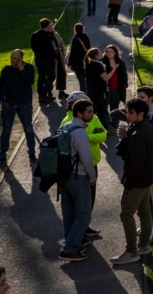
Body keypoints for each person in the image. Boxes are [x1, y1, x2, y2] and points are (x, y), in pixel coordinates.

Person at [112, 98, 153, 264]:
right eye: (127, 112)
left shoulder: (138, 135)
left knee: (126, 214)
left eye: (131, 113)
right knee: (144, 212)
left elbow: (135, 166)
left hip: (137, 183)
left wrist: (128, 184)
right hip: (148, 179)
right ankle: (144, 246)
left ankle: (131, 250)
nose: (128, 115)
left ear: (141, 114)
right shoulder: (148, 128)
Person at [59, 99, 97, 261]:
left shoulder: (64, 127)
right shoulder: (80, 132)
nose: (92, 114)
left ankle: (71, 243)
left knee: (69, 214)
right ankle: (69, 249)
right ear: (80, 114)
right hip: (79, 177)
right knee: (83, 215)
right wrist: (92, 177)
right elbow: (86, 159)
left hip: (63, 177)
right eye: (89, 111)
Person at [0, 49, 37, 168]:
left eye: (16, 58)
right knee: (6, 131)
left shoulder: (29, 68)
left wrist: (21, 69)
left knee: (28, 129)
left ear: (21, 59)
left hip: (24, 104)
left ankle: (32, 153)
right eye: (12, 57)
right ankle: (2, 156)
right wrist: (0, 99)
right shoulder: (6, 70)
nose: (13, 60)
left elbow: (29, 82)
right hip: (8, 105)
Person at [30, 18, 64, 105]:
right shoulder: (47, 36)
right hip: (48, 60)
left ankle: (41, 95)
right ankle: (43, 94)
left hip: (38, 59)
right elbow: (50, 49)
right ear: (47, 25)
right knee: (51, 77)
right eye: (50, 24)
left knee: (41, 77)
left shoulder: (34, 35)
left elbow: (33, 48)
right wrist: (55, 55)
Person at [83, 48, 113, 130]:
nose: (101, 54)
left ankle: (102, 127)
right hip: (98, 91)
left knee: (98, 109)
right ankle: (102, 127)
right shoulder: (98, 65)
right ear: (96, 56)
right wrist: (113, 70)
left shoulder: (89, 64)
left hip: (91, 91)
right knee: (99, 110)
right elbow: (106, 78)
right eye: (100, 53)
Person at [104, 44, 129, 116]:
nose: (109, 53)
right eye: (107, 52)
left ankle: (115, 123)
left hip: (117, 88)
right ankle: (106, 123)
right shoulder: (104, 62)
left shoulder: (120, 62)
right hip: (107, 88)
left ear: (115, 53)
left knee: (114, 107)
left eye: (111, 52)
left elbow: (124, 74)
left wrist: (125, 83)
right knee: (104, 106)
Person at [67, 23, 91, 90]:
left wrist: (70, 63)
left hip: (77, 62)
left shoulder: (76, 39)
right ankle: (87, 91)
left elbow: (73, 52)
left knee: (81, 79)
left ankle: (83, 92)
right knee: (85, 77)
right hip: (86, 59)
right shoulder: (86, 37)